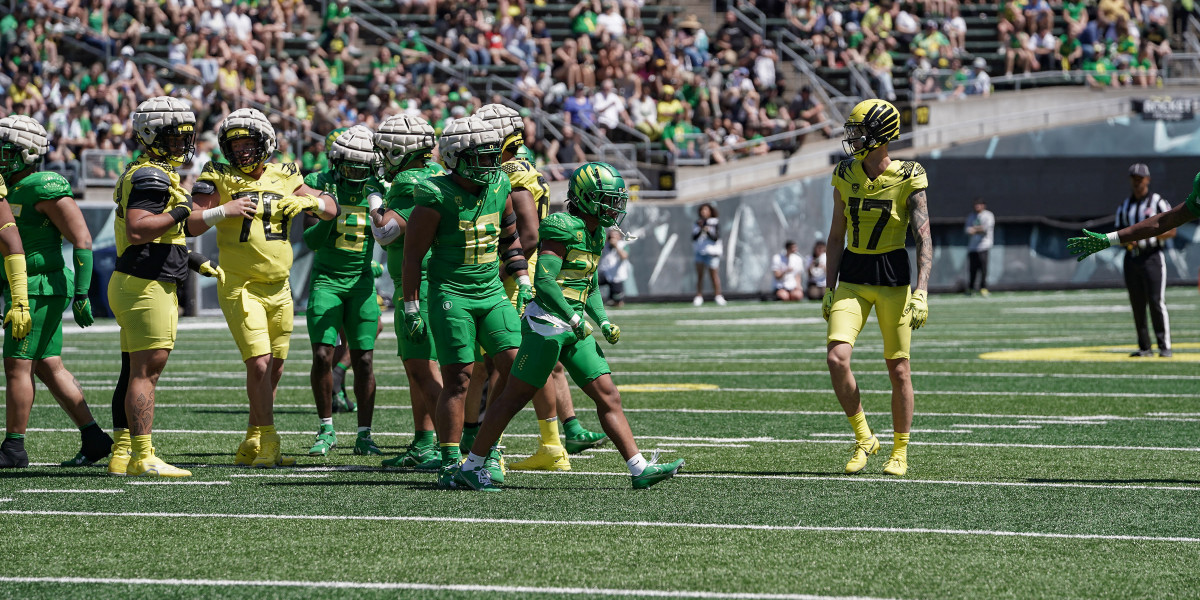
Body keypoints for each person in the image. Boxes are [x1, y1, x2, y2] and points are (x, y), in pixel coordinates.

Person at [455, 162, 685, 491]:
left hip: (574, 326)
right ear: (588, 198)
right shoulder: (563, 227)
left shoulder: (597, 233)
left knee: (609, 395)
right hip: (547, 324)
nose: (615, 205)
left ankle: (639, 468)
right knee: (513, 397)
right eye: (608, 198)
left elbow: (587, 286)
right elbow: (545, 281)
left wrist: (602, 320)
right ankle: (473, 464)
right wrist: (575, 318)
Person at [189, 108, 338, 468]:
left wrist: (310, 202)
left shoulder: (285, 172)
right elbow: (191, 223)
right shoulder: (217, 175)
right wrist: (223, 211)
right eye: (235, 144)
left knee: (275, 368)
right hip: (241, 285)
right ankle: (270, 439)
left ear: (266, 143)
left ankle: (253, 436)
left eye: (248, 143)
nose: (241, 151)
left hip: (280, 286)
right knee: (258, 363)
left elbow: (332, 207)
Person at [476, 104, 607, 472]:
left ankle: (494, 450)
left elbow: (529, 234)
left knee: (505, 363)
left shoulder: (508, 173)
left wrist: (502, 270)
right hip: (528, 273)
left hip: (522, 275)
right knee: (537, 363)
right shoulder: (526, 168)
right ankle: (554, 442)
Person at [400, 116, 530, 489]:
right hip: (451, 293)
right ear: (455, 158)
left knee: (516, 366)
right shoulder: (434, 194)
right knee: (459, 377)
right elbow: (413, 257)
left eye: (493, 156)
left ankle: (485, 447)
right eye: (481, 157)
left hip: (491, 290)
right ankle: (449, 459)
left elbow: (510, 236)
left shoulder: (501, 182)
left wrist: (522, 278)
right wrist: (411, 306)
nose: (490, 165)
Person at [107, 96, 225, 477]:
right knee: (146, 372)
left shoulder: (146, 171)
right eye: (172, 137)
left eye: (184, 137)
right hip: (145, 283)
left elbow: (158, 234)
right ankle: (144, 454)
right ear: (149, 135)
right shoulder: (150, 175)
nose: (181, 144)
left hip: (136, 279)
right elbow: (140, 228)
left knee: (131, 370)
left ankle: (122, 452)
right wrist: (181, 211)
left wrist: (193, 258)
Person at [823, 99, 932, 478]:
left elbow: (924, 238)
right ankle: (864, 437)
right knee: (837, 359)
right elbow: (836, 236)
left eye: (859, 132)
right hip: (853, 272)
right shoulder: (844, 172)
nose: (852, 139)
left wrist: (922, 290)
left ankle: (900, 450)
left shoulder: (908, 175)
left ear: (880, 135)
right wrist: (828, 287)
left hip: (892, 276)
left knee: (898, 368)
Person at [0, 116, 112, 468]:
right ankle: (94, 437)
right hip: (27, 285)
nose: (1, 158)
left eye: (7, 151)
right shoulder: (9, 186)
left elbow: (82, 239)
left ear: (29, 152)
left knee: (17, 366)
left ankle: (13, 448)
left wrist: (82, 294)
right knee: (49, 366)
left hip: (40, 285)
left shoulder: (42, 185)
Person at [301, 125, 386, 457]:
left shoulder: (376, 188)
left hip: (362, 282)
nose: (356, 172)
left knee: (364, 360)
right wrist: (327, 213)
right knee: (322, 355)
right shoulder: (320, 184)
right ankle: (326, 428)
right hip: (326, 280)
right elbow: (309, 240)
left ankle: (364, 434)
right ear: (337, 161)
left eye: (361, 167)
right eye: (350, 165)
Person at [371, 113, 445, 470]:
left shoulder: (406, 180)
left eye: (386, 149)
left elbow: (386, 232)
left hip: (418, 283)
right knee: (426, 367)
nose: (382, 157)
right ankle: (426, 441)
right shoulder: (440, 174)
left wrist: (374, 202)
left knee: (423, 371)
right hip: (443, 277)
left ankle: (452, 446)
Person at [1092, 164, 1175, 357]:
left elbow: (1172, 230)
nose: (1137, 182)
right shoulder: (1124, 207)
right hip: (1131, 258)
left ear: (1148, 179)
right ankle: (1144, 347)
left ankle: (1164, 346)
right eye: (1134, 179)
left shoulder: (1158, 202)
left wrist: (1149, 238)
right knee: (1137, 303)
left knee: (1156, 301)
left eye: (1140, 178)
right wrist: (1128, 243)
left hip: (1152, 256)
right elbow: (1120, 234)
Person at [692, 203, 725, 306]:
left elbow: (715, 237)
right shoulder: (697, 223)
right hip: (700, 252)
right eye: (702, 210)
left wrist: (708, 230)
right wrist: (701, 228)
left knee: (714, 275)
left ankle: (718, 295)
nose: (704, 212)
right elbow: (694, 237)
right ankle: (699, 296)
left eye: (706, 210)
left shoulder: (714, 222)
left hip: (712, 253)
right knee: (700, 276)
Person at [965, 198, 994, 296]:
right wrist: (975, 229)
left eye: (979, 204)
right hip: (973, 247)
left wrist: (975, 229)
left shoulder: (988, 215)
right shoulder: (971, 216)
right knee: (972, 269)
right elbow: (967, 230)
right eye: (976, 205)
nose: (977, 206)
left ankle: (983, 288)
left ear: (983, 205)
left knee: (983, 269)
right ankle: (971, 288)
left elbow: (985, 228)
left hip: (984, 246)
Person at [598, 228, 630, 307]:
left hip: (617, 276)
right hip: (605, 273)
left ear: (619, 236)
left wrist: (616, 246)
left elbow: (624, 256)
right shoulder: (605, 245)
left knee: (617, 302)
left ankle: (613, 300)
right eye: (611, 236)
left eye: (615, 235)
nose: (612, 238)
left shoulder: (623, 245)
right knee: (591, 282)